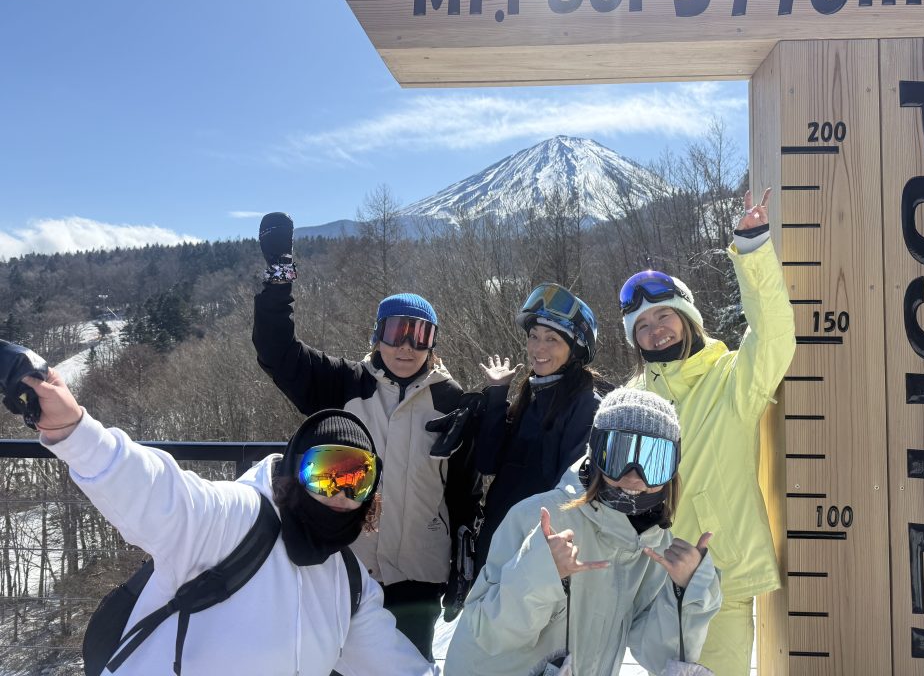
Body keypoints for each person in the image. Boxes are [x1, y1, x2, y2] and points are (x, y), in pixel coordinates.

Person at [15, 366, 437, 675]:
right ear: (294, 473)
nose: (341, 493)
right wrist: (76, 432)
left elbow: (394, 666)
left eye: (358, 478)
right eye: (326, 473)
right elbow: (158, 491)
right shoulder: (233, 520)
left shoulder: (349, 582)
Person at [251, 212, 480, 661]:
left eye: (420, 335)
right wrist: (279, 279)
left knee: (410, 665)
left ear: (433, 345)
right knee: (336, 665)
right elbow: (278, 353)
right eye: (396, 332)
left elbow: (463, 491)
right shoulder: (343, 384)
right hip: (346, 565)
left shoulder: (452, 403)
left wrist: (464, 558)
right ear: (377, 336)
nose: (406, 346)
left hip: (419, 573)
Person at [618, 188, 796, 676]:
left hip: (719, 576)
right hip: (651, 581)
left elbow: (774, 333)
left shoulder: (732, 378)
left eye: (664, 316)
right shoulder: (632, 399)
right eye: (642, 325)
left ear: (688, 319)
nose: (656, 330)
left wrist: (753, 250)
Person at [445, 388, 723, 676]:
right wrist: (540, 573)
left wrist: (687, 592)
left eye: (653, 462)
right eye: (619, 455)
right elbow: (486, 632)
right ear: (596, 454)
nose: (634, 477)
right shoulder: (538, 517)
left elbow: (659, 655)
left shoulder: (654, 546)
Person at [473, 283, 604, 570]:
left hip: (537, 553)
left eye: (552, 339)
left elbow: (571, 495)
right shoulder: (531, 397)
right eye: (533, 336)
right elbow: (486, 462)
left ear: (575, 349)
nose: (538, 347)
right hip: (498, 544)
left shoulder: (586, 407)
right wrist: (497, 395)